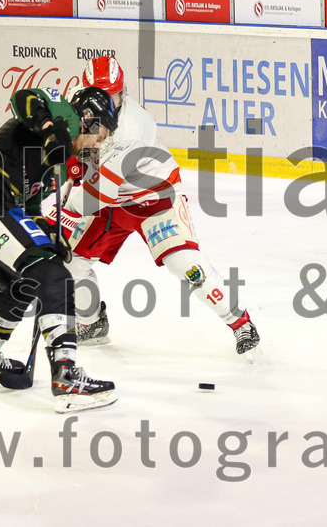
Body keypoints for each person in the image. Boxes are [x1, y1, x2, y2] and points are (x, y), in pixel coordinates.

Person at [52, 57, 261, 357]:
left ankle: (240, 323)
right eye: (99, 95)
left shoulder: (133, 128)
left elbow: (96, 196)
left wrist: (58, 219)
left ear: (122, 92)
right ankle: (92, 321)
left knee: (186, 265)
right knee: (71, 262)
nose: (106, 103)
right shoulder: (78, 107)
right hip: (110, 197)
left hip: (153, 197)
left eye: (112, 96)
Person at [0, 84, 119, 413]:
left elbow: (31, 211)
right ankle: (67, 377)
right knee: (56, 277)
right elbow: (23, 98)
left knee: (21, 282)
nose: (99, 144)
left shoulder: (61, 165)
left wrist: (53, 237)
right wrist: (51, 130)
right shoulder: (63, 114)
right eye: (102, 133)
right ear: (90, 121)